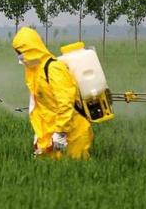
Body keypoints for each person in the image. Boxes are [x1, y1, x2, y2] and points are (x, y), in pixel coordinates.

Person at [12, 27, 93, 160]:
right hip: (53, 134)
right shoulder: (34, 71)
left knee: (74, 171)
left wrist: (61, 132)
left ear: (31, 50)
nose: (19, 58)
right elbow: (42, 107)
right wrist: (39, 134)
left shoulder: (53, 68)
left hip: (73, 133)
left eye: (20, 53)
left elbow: (66, 102)